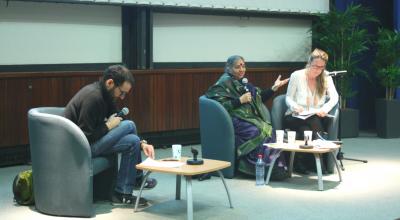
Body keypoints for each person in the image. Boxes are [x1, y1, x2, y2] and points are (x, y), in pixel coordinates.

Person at [64, 64, 157, 206]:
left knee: (132, 141)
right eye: (121, 93)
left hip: (93, 142)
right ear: (110, 83)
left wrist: (141, 143)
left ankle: (122, 194)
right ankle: (137, 178)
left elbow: (120, 122)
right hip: (81, 148)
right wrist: (108, 126)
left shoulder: (106, 95)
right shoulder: (92, 97)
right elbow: (84, 137)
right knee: (130, 125)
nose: (122, 97)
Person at [206, 55, 289, 180]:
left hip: (247, 118)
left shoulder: (243, 83)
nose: (241, 69)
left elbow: (258, 99)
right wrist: (239, 100)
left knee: (267, 129)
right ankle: (256, 167)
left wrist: (273, 88)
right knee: (256, 131)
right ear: (228, 68)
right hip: (231, 120)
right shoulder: (223, 84)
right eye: (237, 67)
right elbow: (219, 107)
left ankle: (276, 166)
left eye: (243, 66)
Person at [283, 48, 339, 174]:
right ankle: (320, 162)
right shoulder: (297, 75)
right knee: (311, 121)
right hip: (294, 116)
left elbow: (335, 97)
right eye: (315, 66)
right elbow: (288, 98)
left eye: (321, 67)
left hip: (316, 116)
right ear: (309, 63)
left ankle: (301, 162)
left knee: (306, 129)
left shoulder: (326, 76)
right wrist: (294, 106)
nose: (318, 70)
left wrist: (325, 109)